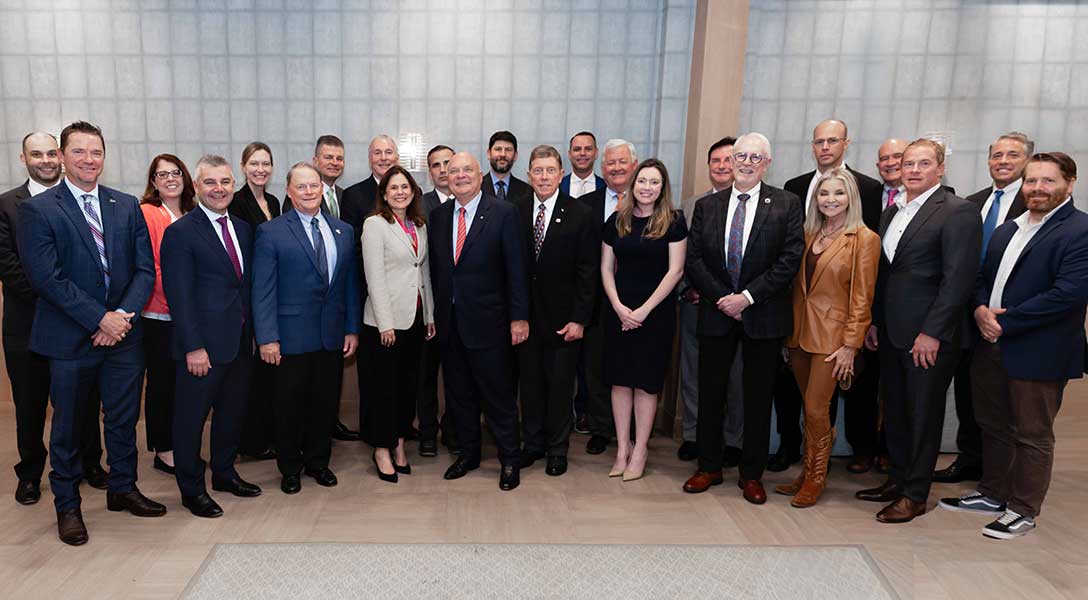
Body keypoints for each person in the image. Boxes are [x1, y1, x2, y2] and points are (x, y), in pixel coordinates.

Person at [18, 121, 165, 546]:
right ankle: (67, 505)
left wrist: (118, 318)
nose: (88, 159)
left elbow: (144, 269)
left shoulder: (126, 205)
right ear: (63, 157)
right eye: (79, 151)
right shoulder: (39, 209)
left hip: (123, 337)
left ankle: (123, 488)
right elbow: (46, 278)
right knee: (68, 426)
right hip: (69, 339)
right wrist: (99, 319)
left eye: (96, 152)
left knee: (122, 419)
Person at [941, 152, 1088, 539]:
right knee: (993, 425)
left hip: (1039, 350)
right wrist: (979, 311)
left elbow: (1068, 294)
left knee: (1032, 433)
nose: (1038, 188)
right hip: (990, 343)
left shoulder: (1080, 230)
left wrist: (1002, 323)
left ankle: (1023, 509)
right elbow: (979, 278)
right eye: (1032, 180)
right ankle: (992, 493)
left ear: (1069, 184)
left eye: (1048, 181)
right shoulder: (1008, 229)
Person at [857, 139, 981, 524]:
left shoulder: (958, 211)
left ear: (940, 168)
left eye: (923, 164)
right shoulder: (892, 212)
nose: (913, 170)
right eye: (908, 163)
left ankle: (915, 494)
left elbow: (958, 281)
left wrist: (932, 332)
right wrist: (875, 321)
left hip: (928, 338)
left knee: (923, 415)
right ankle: (897, 479)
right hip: (892, 331)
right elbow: (886, 274)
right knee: (895, 412)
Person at [682, 132, 804, 505]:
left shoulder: (786, 203)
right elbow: (694, 258)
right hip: (716, 311)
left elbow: (790, 258)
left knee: (757, 397)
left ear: (767, 163)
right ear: (732, 161)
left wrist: (746, 298)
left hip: (762, 313)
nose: (746, 163)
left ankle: (751, 474)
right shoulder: (708, 205)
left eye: (755, 157)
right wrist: (723, 298)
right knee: (711, 393)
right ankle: (708, 466)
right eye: (741, 156)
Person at [0, 132, 106, 505]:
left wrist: (79, 308)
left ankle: (90, 464)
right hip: (27, 326)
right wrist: (60, 298)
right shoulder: (6, 206)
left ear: (59, 156)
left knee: (83, 401)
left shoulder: (82, 199)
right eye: (36, 154)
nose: (44, 160)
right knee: (30, 404)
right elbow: (10, 268)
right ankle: (30, 474)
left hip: (79, 325)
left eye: (50, 153)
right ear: (23, 158)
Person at [774, 119, 883, 474]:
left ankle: (815, 477)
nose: (830, 200)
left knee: (817, 409)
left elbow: (862, 297)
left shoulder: (864, 239)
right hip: (799, 335)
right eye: (824, 194)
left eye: (838, 194)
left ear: (851, 198)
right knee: (808, 410)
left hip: (833, 340)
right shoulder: (808, 234)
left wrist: (851, 344)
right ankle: (808, 472)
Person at [160, 155, 261, 518]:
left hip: (239, 342)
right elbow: (179, 296)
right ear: (197, 187)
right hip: (201, 347)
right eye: (210, 182)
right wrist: (194, 346)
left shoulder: (244, 229)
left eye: (225, 182)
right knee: (190, 420)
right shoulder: (180, 233)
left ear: (234, 185)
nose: (219, 189)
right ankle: (192, 490)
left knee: (231, 413)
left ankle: (224, 473)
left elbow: (244, 286)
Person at [253, 162, 360, 495]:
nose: (309, 191)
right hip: (289, 338)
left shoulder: (343, 230)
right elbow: (263, 290)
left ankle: (318, 462)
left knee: (324, 404)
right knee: (289, 406)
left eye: (314, 185)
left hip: (331, 335)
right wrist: (267, 337)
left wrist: (351, 328)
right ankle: (290, 468)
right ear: (289, 191)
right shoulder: (271, 232)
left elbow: (350, 285)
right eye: (301, 186)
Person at [934, 132, 1032, 486]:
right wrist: (976, 306)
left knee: (1010, 403)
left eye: (1012, 155)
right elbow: (962, 262)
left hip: (1013, 318)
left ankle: (1008, 476)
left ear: (1027, 161)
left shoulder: (1036, 203)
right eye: (997, 155)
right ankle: (971, 460)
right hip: (969, 313)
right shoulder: (971, 204)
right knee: (968, 392)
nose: (1003, 161)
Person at [428, 152, 529, 491]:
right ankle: (468, 454)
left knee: (498, 397)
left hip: (491, 324)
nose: (459, 176)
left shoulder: (503, 212)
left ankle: (510, 459)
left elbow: (517, 269)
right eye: (453, 170)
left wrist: (519, 318)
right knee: (460, 396)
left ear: (479, 174)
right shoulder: (439, 216)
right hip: (450, 324)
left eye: (466, 170)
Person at [601, 158, 687, 481]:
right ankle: (622, 448)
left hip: (655, 314)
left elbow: (675, 271)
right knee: (620, 381)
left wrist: (643, 311)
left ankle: (640, 450)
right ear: (633, 184)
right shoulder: (616, 220)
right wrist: (619, 307)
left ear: (662, 188)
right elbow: (606, 268)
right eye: (642, 181)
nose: (646, 187)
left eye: (654, 182)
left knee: (646, 384)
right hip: (619, 312)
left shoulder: (674, 222)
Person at [517, 145, 598, 477]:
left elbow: (587, 271)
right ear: (529, 175)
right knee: (530, 386)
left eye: (550, 170)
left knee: (561, 387)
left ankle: (557, 449)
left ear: (561, 174)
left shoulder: (580, 213)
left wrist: (580, 318)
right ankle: (532, 444)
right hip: (525, 319)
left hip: (564, 320)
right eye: (538, 170)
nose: (544, 176)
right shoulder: (515, 210)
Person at [359, 166, 435, 482]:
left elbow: (423, 272)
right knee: (384, 391)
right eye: (394, 188)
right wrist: (385, 324)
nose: (400, 192)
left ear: (413, 191)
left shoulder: (418, 225)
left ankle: (400, 444)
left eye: (405, 187)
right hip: (385, 324)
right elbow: (374, 277)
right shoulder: (374, 225)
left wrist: (429, 315)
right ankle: (381, 449)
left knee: (407, 389)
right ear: (384, 193)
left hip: (414, 319)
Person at [677, 137, 743, 466]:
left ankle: (733, 439)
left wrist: (736, 298)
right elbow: (680, 255)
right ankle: (693, 434)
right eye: (715, 160)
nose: (721, 166)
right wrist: (689, 289)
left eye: (728, 160)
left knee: (736, 376)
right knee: (693, 372)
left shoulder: (754, 206)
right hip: (696, 301)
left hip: (739, 307)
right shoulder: (690, 206)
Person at [337, 134, 402, 442]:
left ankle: (399, 428)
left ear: (397, 157)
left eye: (389, 152)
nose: (383, 157)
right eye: (378, 152)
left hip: (404, 300)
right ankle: (371, 430)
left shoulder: (408, 192)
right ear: (369, 158)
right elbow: (352, 248)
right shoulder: (354, 195)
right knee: (371, 370)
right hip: (368, 296)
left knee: (399, 370)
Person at [139, 154, 197, 476]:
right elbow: (152, 266)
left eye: (176, 172)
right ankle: (163, 449)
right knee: (162, 383)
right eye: (162, 175)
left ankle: (181, 443)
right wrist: (183, 297)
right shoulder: (148, 213)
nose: (171, 179)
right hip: (159, 315)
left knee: (184, 384)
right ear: (153, 182)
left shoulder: (193, 212)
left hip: (190, 315)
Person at [579, 139, 637, 456]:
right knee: (596, 366)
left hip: (637, 300)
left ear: (634, 165)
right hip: (597, 299)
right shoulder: (586, 204)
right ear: (602, 168)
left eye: (622, 162)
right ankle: (601, 428)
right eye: (610, 163)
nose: (616, 168)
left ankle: (631, 429)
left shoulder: (648, 201)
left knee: (631, 364)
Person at [228, 142, 280, 461]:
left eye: (265, 164)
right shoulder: (235, 203)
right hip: (245, 295)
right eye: (254, 163)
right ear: (243, 167)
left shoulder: (273, 201)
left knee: (265, 372)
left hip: (269, 293)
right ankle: (247, 440)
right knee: (245, 373)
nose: (260, 169)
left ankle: (264, 434)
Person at [417, 144, 458, 457]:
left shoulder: (474, 203)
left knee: (458, 374)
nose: (443, 170)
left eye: (448, 163)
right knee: (426, 374)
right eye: (436, 165)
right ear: (430, 172)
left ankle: (455, 430)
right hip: (430, 304)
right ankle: (428, 432)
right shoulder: (420, 205)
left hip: (462, 307)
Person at [482, 130, 532, 203]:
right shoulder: (476, 187)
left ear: (515, 156)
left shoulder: (527, 191)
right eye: (498, 149)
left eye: (508, 150)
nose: (503, 154)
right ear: (489, 154)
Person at [560, 131, 606, 198]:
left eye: (588, 149)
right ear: (569, 154)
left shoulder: (607, 186)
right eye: (577, 149)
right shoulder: (557, 186)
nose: (582, 153)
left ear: (596, 153)